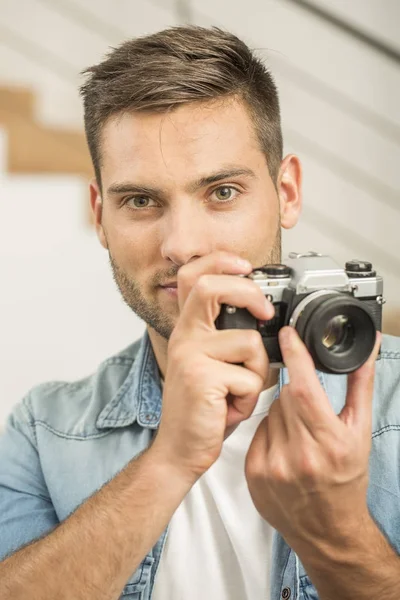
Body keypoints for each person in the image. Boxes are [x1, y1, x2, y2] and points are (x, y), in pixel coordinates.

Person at [0, 25, 399, 600]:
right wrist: (170, 461)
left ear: (286, 193)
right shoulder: (42, 433)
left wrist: (339, 539)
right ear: (99, 216)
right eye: (141, 201)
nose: (182, 245)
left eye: (222, 192)